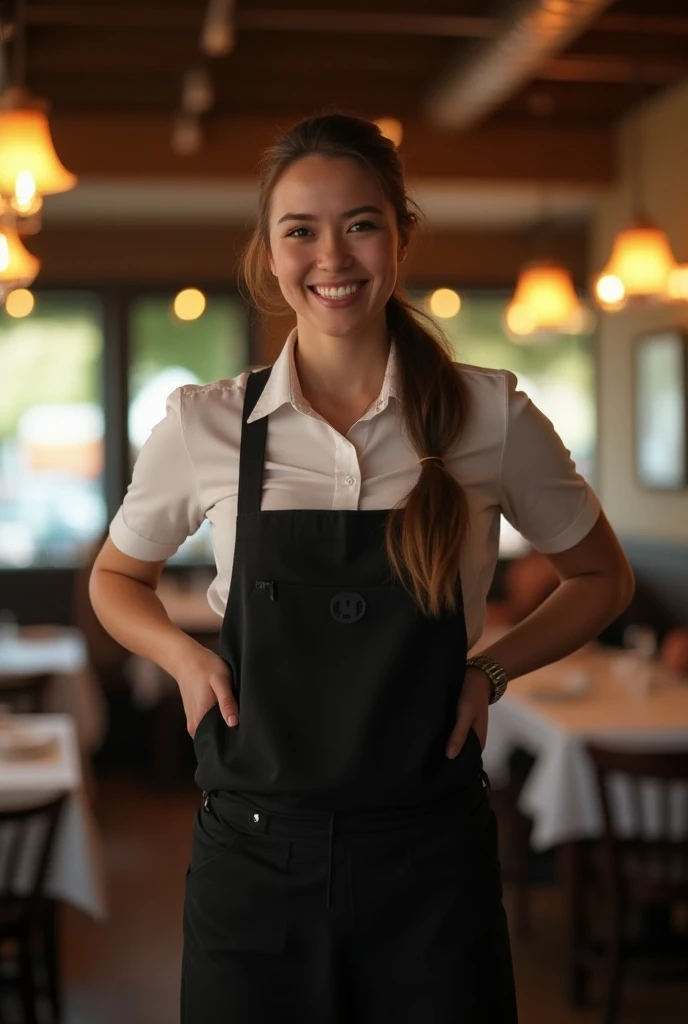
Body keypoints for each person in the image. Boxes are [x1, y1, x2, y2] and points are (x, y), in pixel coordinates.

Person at [89, 113, 635, 1023]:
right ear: (268, 252)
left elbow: (601, 577)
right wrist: (185, 659)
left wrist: (491, 669)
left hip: (431, 864)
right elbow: (115, 578)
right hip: (254, 862)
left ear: (402, 235)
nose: (330, 256)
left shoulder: (488, 415)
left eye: (361, 223)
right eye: (299, 229)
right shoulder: (206, 425)